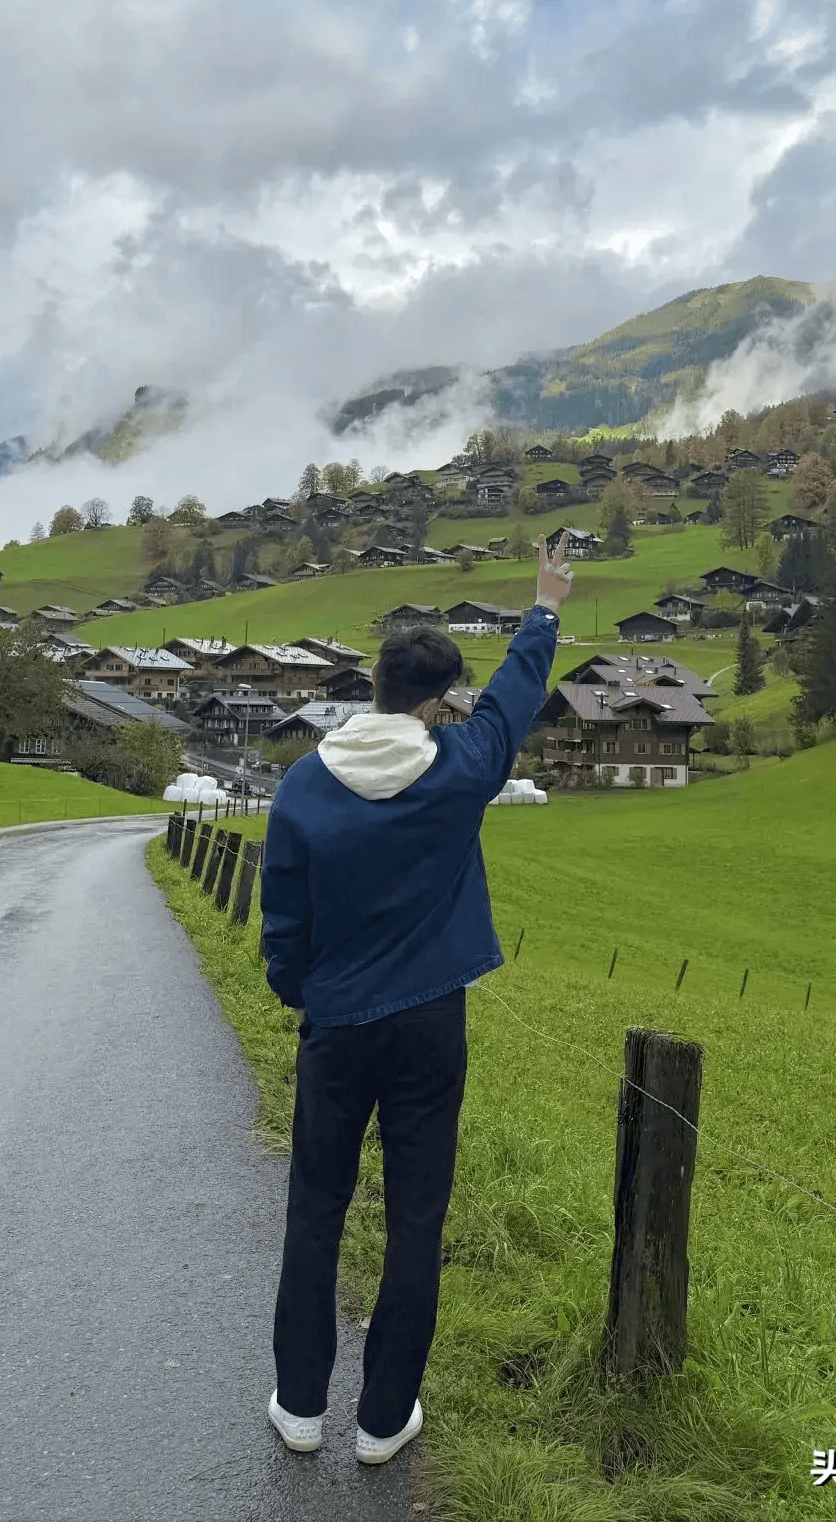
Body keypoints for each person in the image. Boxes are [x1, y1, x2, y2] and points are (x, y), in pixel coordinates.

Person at [260, 534, 574, 1464]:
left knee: (317, 1207)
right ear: (437, 703)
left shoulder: (302, 788)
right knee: (416, 1217)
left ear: (372, 688)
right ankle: (383, 1419)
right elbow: (517, 694)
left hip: (338, 1027)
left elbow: (284, 928)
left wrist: (302, 994)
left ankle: (303, 1404)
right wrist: (546, 603)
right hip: (433, 1025)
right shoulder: (460, 768)